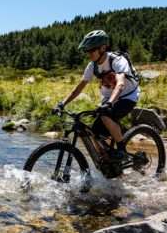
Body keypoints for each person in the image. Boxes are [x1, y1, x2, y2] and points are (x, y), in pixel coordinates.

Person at [54, 30, 139, 161]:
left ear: (103, 48)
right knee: (94, 132)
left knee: (106, 116)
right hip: (108, 99)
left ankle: (122, 150)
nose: (88, 54)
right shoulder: (92, 66)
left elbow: (120, 84)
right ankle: (106, 161)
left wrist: (109, 103)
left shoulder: (117, 60)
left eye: (91, 50)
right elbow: (78, 89)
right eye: (86, 51)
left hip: (127, 96)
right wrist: (62, 104)